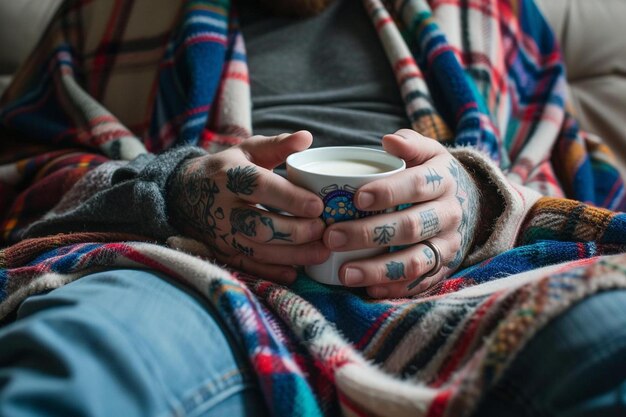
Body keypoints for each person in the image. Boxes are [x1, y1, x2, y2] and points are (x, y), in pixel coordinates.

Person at [1, 0, 625, 416]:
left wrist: (477, 201)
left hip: (469, 280)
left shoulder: (493, 13)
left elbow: (567, 174)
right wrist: (176, 189)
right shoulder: (108, 12)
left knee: (608, 331)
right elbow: (25, 175)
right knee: (86, 351)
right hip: (180, 267)